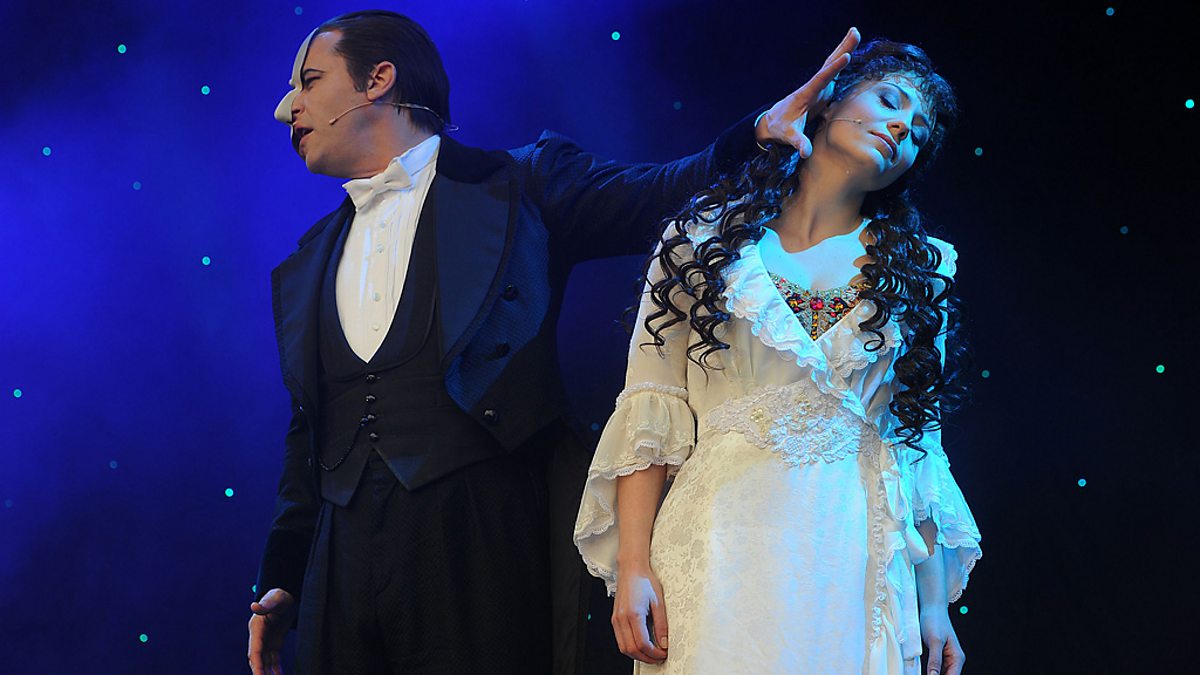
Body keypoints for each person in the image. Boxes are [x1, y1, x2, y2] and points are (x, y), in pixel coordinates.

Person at [245, 9, 862, 675]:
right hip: (340, 556)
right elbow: (310, 430)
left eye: (308, 81)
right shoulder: (308, 261)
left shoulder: (521, 184)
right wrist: (283, 577)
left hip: (480, 534)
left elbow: (656, 193)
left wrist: (757, 135)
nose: (286, 108)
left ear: (379, 80)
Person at [574, 39, 983, 674]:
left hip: (851, 552)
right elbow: (651, 406)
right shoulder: (700, 241)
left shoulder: (918, 274)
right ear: (827, 104)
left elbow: (913, 441)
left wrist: (933, 605)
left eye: (919, 132)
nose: (903, 126)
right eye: (889, 101)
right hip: (716, 543)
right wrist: (633, 566)